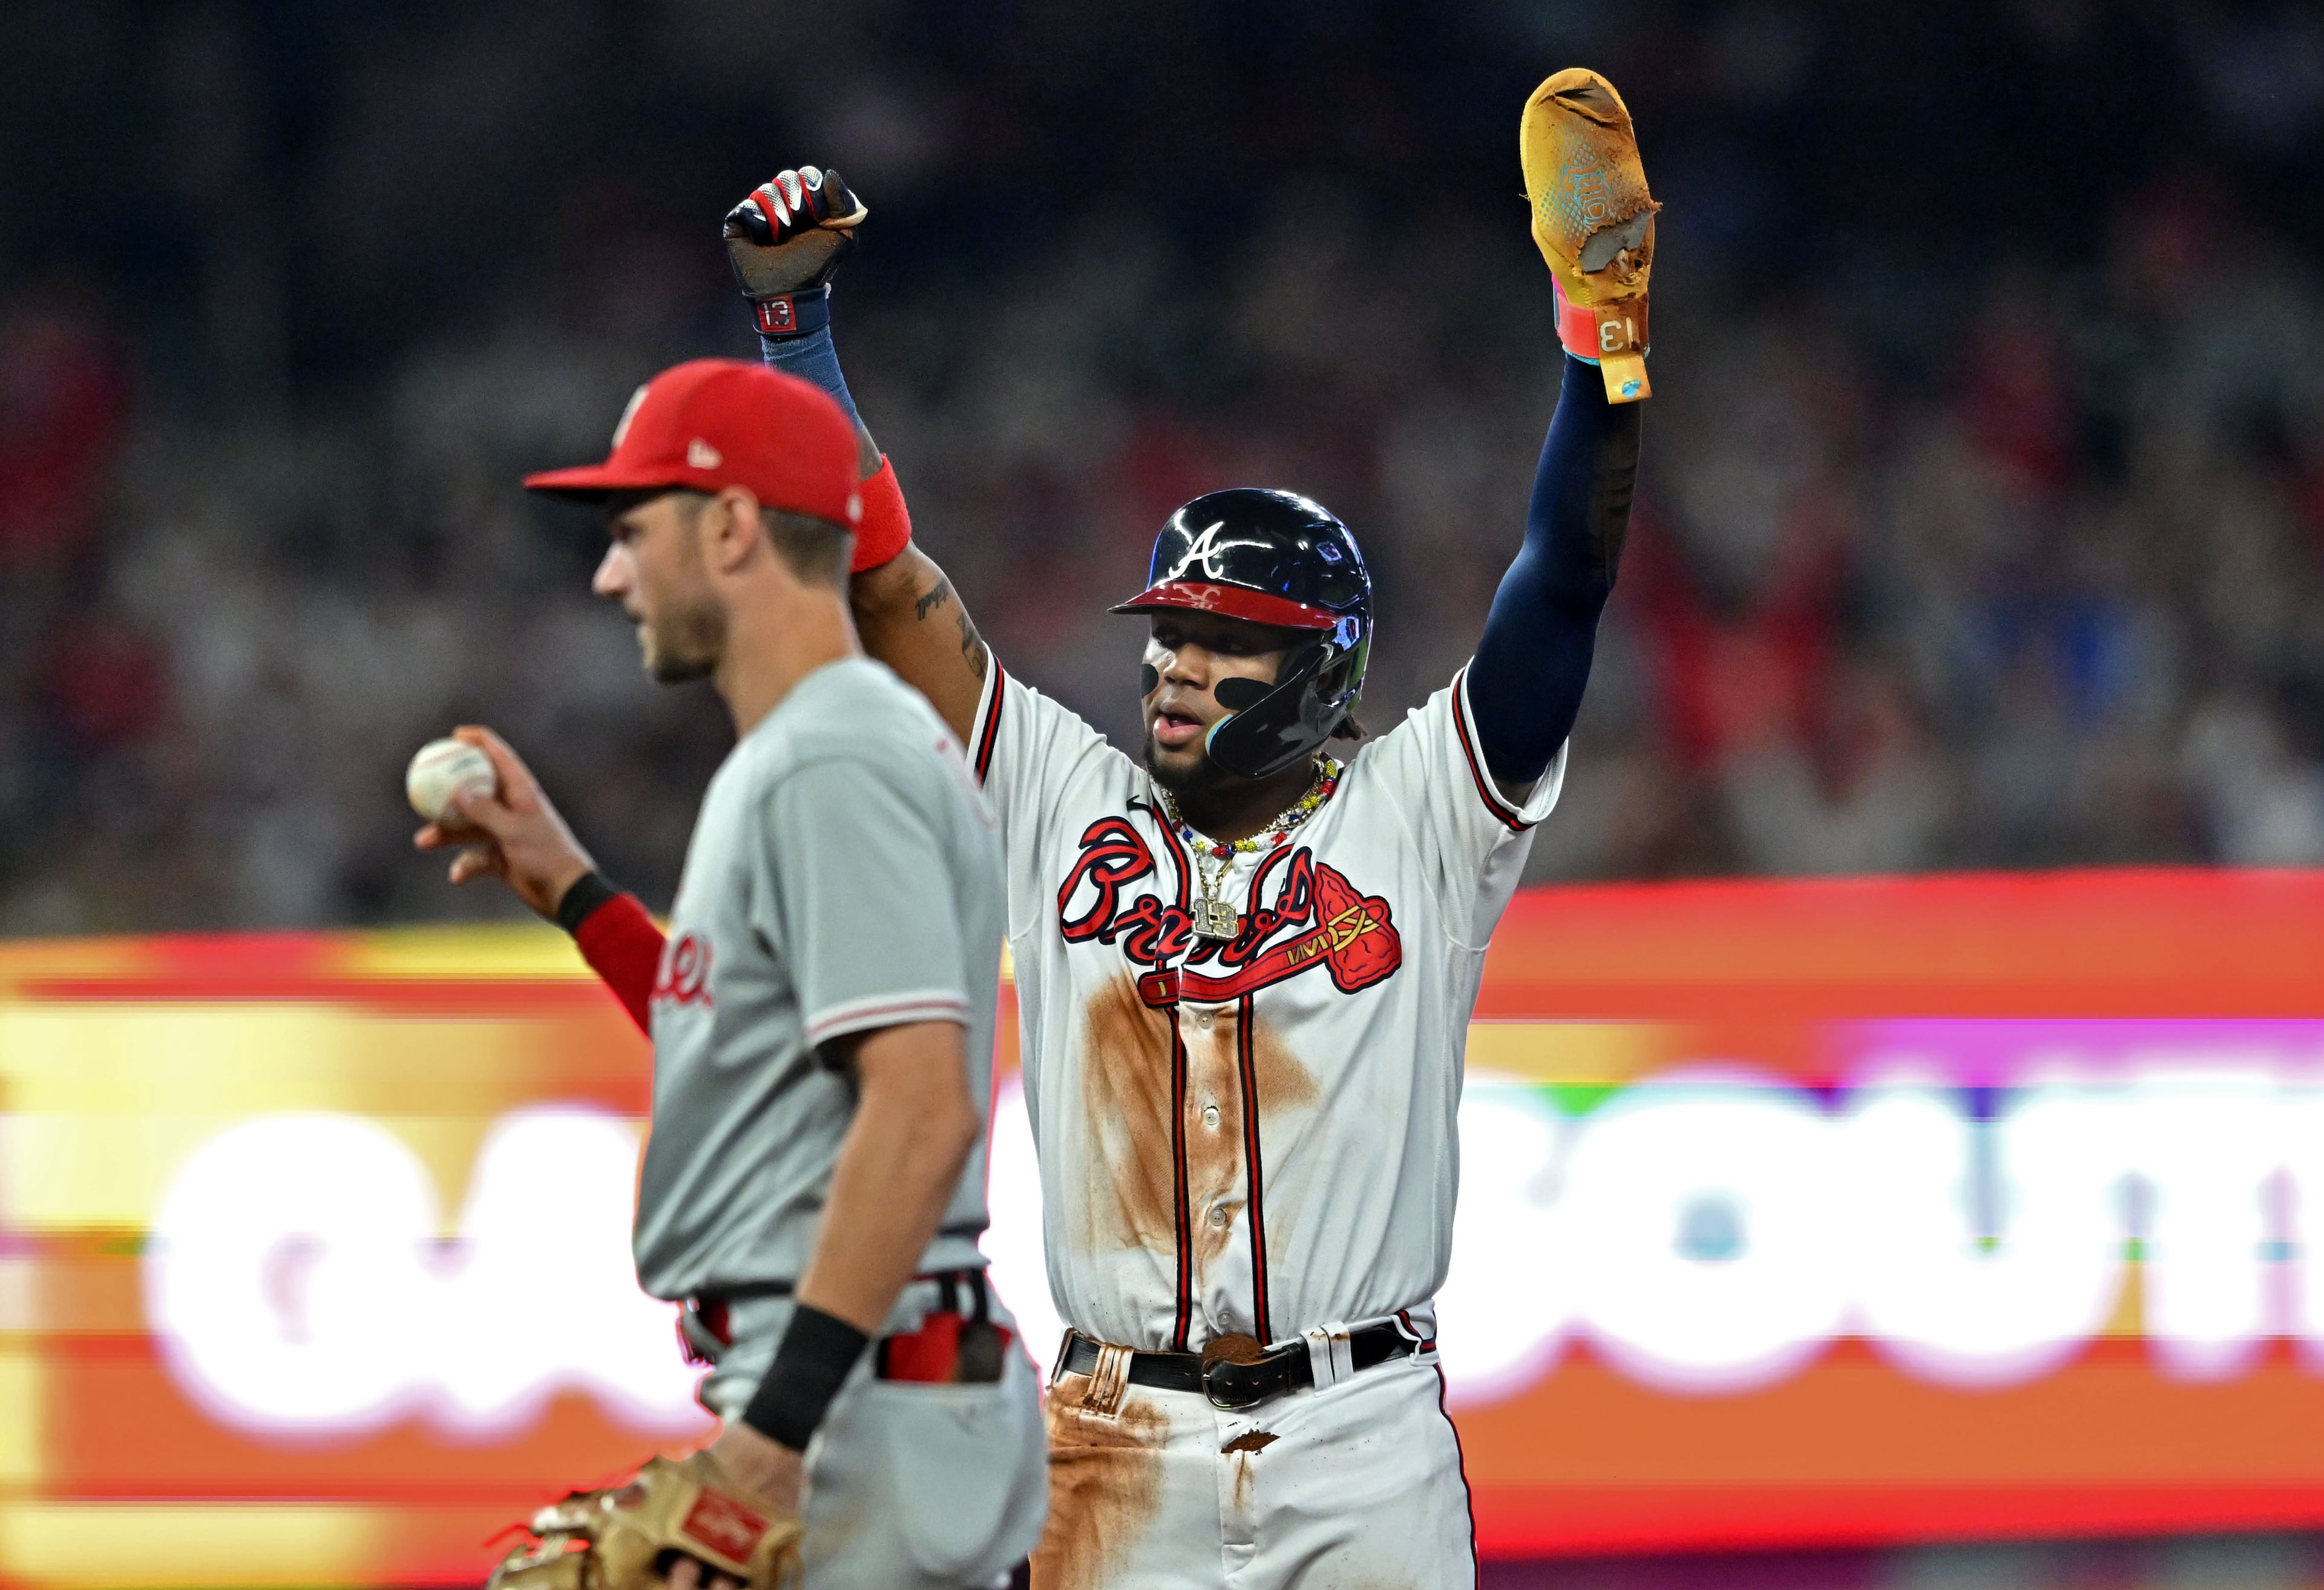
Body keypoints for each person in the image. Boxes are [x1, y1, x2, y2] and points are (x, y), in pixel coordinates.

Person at [532, 62, 1651, 1589]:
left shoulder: (1425, 810)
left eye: (1226, 641)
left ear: (1324, 672)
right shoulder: (1064, 790)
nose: (1177, 668)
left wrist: (1598, 354)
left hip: (1364, 1437)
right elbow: (885, 581)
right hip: (1115, 1440)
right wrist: (797, 337)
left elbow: (1560, 587)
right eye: (1170, 632)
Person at [415, 357, 1048, 1589]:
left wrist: (766, 1448)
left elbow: (920, 1114)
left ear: (731, 525)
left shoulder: (832, 759)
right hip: (866, 1382)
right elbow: (750, 1065)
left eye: (631, 531)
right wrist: (576, 894)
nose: (611, 575)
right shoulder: (816, 752)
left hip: (858, 1393)